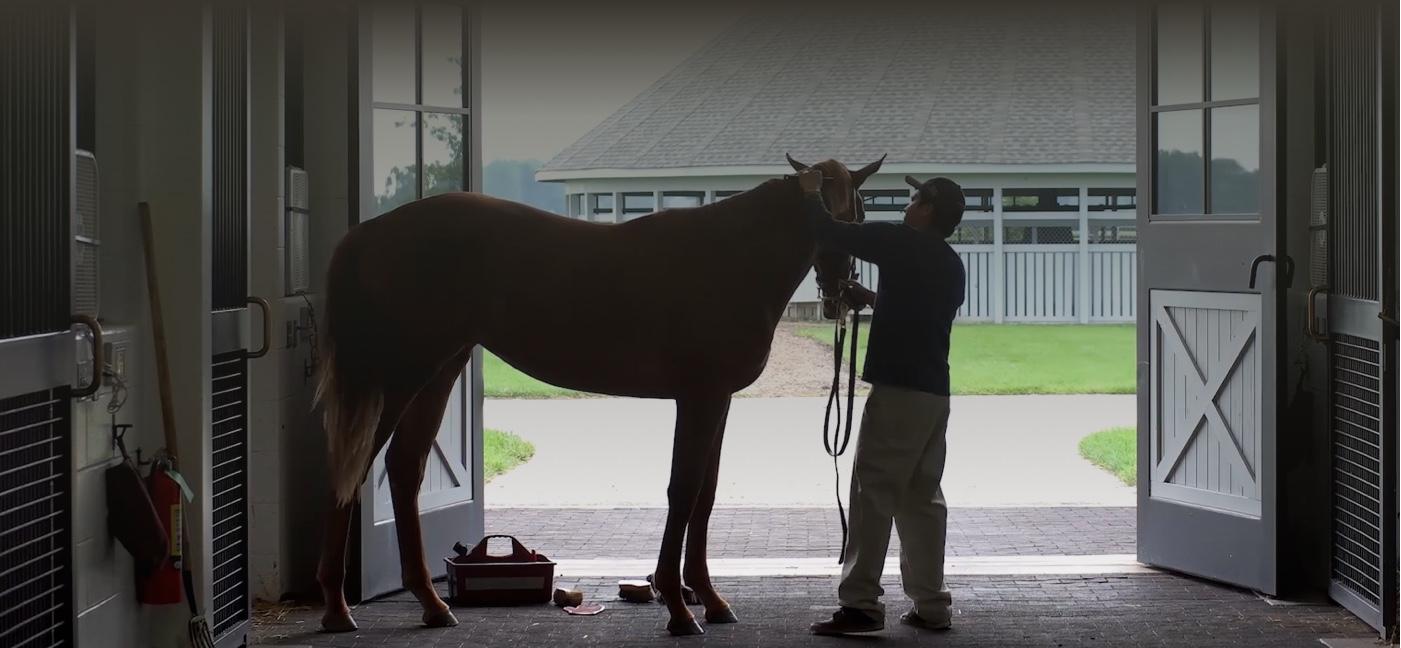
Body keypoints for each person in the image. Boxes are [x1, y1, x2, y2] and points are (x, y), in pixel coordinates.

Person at [800, 168, 967, 635]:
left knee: (872, 493)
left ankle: (861, 605)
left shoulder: (900, 242)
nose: (907, 207)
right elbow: (918, 310)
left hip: (897, 391)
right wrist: (871, 297)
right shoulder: (951, 263)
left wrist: (810, 193)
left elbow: (829, 231)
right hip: (935, 394)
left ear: (928, 209)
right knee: (922, 499)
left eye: (916, 201)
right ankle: (932, 605)